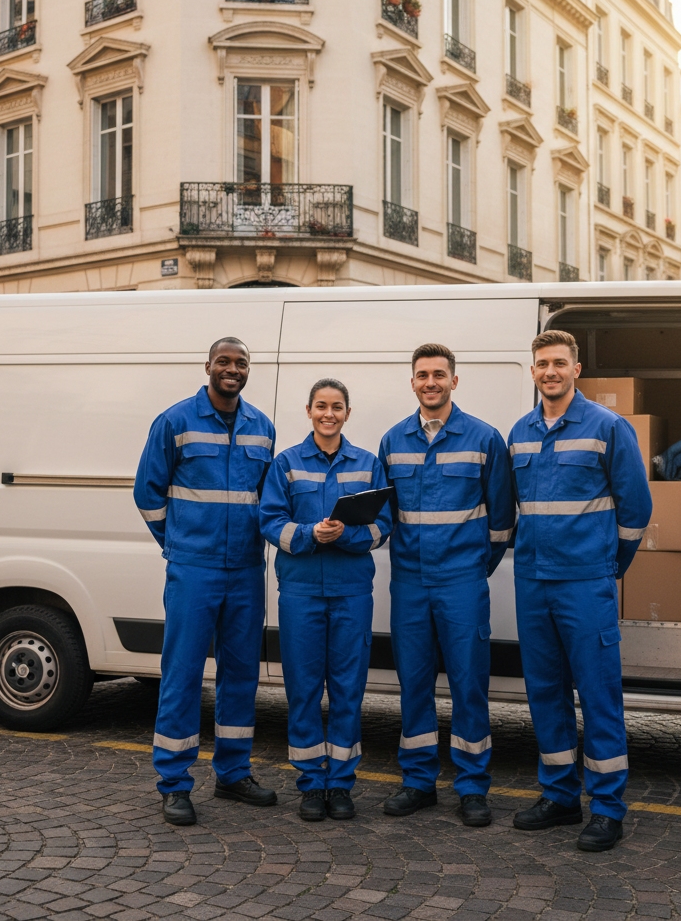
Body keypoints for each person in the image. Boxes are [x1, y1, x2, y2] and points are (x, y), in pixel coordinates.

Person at [508, 329, 652, 852]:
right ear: (533, 371)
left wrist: (609, 566)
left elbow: (636, 510)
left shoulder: (608, 427)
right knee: (545, 694)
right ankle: (561, 797)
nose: (550, 371)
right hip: (534, 582)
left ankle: (608, 809)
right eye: (542, 363)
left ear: (577, 369)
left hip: (586, 584)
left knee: (598, 695)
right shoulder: (520, 432)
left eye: (559, 363)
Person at [134, 337, 278, 827]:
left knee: (240, 675)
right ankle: (174, 783)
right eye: (224, 361)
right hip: (193, 569)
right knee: (183, 674)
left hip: (245, 569)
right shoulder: (175, 421)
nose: (232, 369)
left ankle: (233, 773)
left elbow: (267, 500)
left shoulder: (263, 428)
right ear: (208, 366)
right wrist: (176, 544)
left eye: (240, 363)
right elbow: (147, 493)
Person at [378, 343, 513, 827]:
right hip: (410, 583)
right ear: (411, 382)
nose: (430, 382)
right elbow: (384, 513)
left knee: (468, 685)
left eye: (439, 374)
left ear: (455, 381)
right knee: (413, 685)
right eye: (421, 374)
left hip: (461, 582)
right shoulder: (393, 441)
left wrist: (474, 566)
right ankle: (417, 782)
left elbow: (501, 522)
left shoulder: (484, 438)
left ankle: (472, 787)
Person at [259, 379, 392, 822]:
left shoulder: (368, 464)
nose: (328, 414)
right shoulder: (287, 463)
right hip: (300, 592)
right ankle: (311, 784)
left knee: (348, 690)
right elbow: (268, 521)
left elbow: (383, 526)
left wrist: (348, 535)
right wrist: (310, 534)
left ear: (348, 413)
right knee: (303, 689)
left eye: (337, 407)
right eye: (321, 406)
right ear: (309, 410)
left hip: (352, 591)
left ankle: (341, 784)